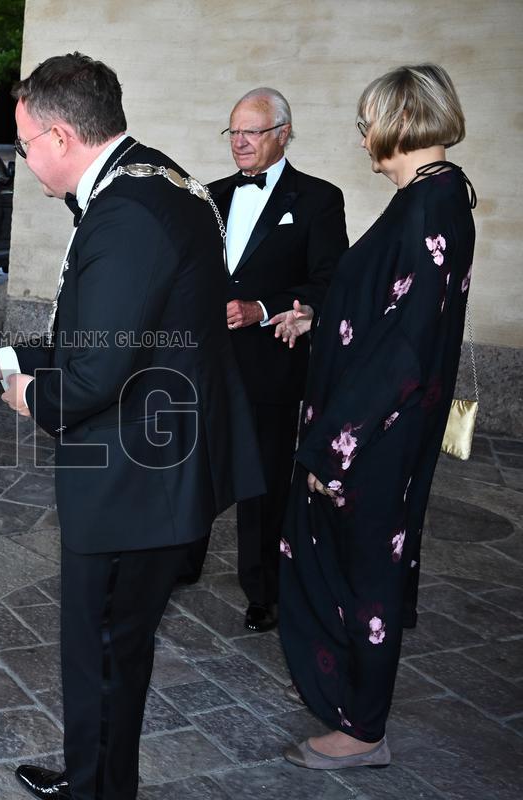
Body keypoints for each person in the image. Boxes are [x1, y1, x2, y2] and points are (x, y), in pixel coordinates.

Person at [0, 53, 264, 800]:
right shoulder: (150, 179)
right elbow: (99, 336)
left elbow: (89, 377)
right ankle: (95, 773)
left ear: (57, 135)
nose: (22, 159)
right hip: (154, 463)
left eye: (21, 143)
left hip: (135, 483)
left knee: (104, 651)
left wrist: (17, 391)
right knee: (110, 652)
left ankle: (98, 789)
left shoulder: (127, 216)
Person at [271, 64, 475, 769]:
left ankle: (362, 732)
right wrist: (320, 316)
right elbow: (391, 311)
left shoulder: (427, 207)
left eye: (367, 124)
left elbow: (403, 353)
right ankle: (359, 719)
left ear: (399, 121)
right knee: (360, 573)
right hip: (379, 430)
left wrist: (332, 450)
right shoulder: (437, 198)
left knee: (364, 578)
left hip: (372, 438)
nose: (362, 140)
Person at [178, 88, 348, 635]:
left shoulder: (320, 199)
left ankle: (263, 588)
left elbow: (331, 282)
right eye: (233, 132)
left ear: (283, 132)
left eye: (251, 131)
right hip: (203, 361)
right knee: (192, 465)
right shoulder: (207, 194)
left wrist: (264, 308)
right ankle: (181, 563)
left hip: (271, 365)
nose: (240, 142)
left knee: (264, 480)